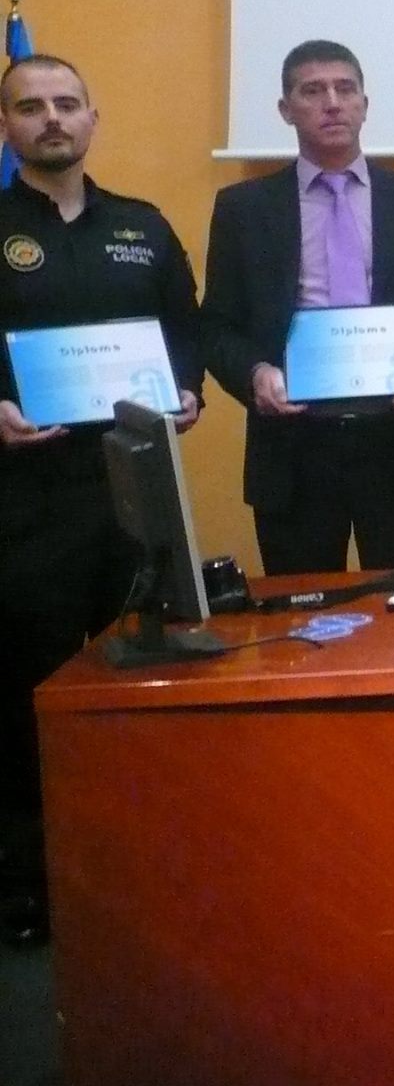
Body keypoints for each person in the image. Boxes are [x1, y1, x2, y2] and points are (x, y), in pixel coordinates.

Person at [0, 54, 203, 947]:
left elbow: (185, 332)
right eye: (30, 106)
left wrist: (188, 390)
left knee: (142, 677)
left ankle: (145, 874)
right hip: (25, 499)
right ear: (7, 127)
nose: (52, 119)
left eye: (66, 104)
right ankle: (30, 883)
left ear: (92, 117)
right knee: (30, 691)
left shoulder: (142, 228)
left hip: (134, 491)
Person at [201, 40, 394, 574]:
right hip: (294, 447)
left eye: (345, 89)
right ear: (285, 110)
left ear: (364, 105)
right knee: (303, 610)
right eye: (313, 91)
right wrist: (255, 375)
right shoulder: (243, 209)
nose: (332, 103)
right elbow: (217, 325)